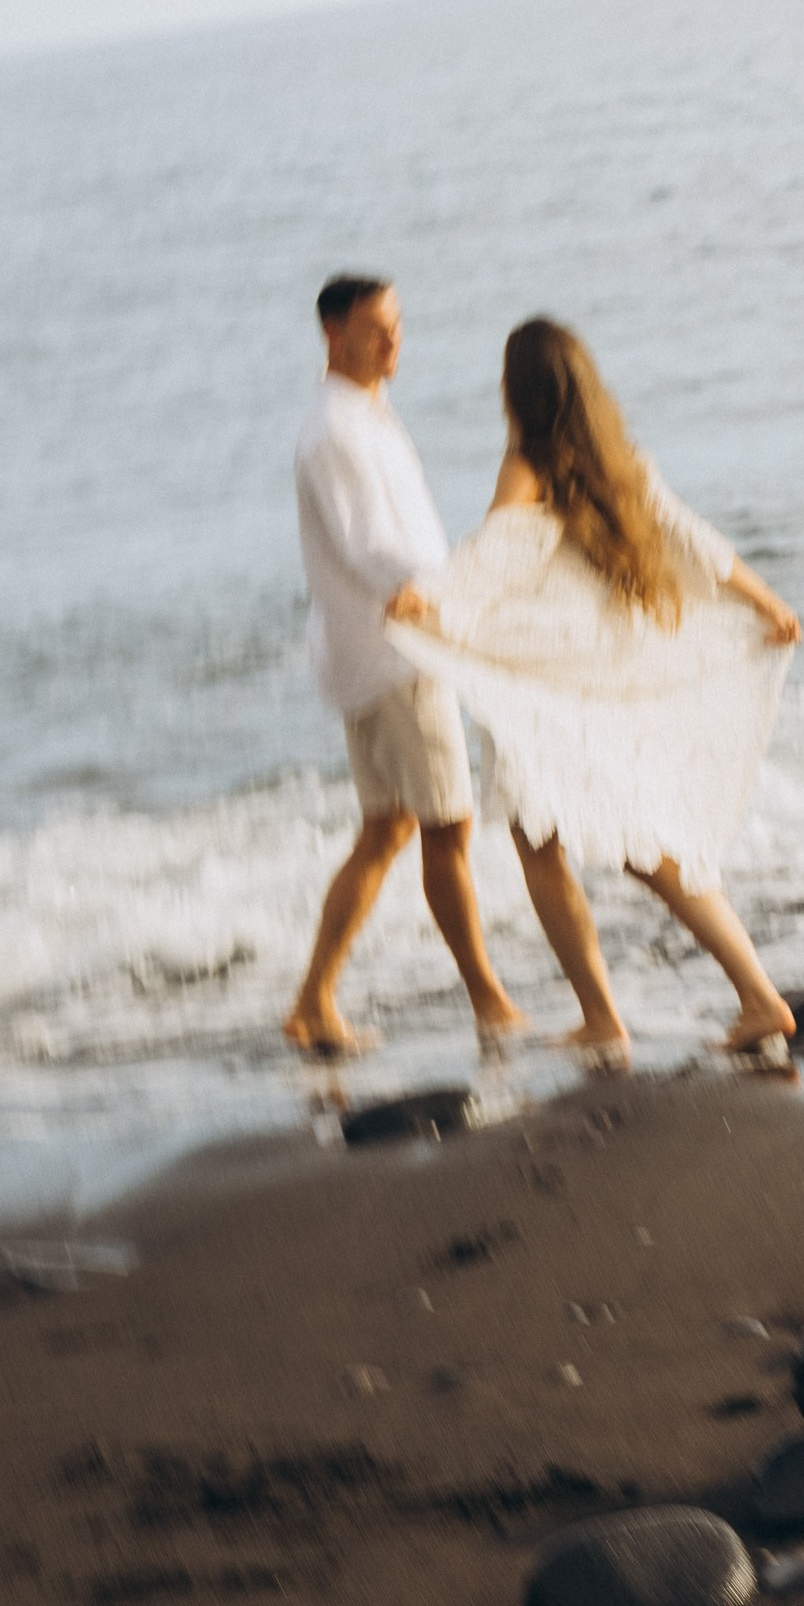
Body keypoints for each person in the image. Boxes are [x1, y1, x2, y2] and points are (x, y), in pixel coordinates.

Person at [387, 317, 800, 1066]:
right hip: (603, 668)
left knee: (540, 842)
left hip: (546, 678)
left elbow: (496, 554)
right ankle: (756, 995)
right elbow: (689, 538)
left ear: (516, 391)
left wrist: (429, 597)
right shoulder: (619, 457)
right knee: (648, 845)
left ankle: (605, 1016)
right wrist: (766, 601)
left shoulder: (527, 461)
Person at [284, 273, 524, 1059]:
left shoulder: (361, 416)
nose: (394, 339)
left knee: (386, 829)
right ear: (333, 334)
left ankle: (314, 1000)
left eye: (397, 324)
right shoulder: (335, 431)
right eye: (376, 327)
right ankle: (490, 1003)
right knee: (447, 826)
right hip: (394, 653)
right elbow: (370, 546)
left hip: (371, 651)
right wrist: (446, 594)